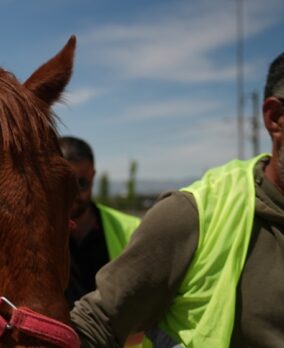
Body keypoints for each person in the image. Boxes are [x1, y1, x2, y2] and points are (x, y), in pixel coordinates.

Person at [71, 52, 284, 347]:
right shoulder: (193, 216)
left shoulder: (121, 225)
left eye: (81, 182)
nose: (75, 193)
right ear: (275, 118)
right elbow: (95, 323)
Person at [59, 136, 141, 306]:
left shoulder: (132, 230)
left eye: (81, 183)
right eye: (63, 184)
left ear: (93, 176)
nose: (72, 194)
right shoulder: (33, 235)